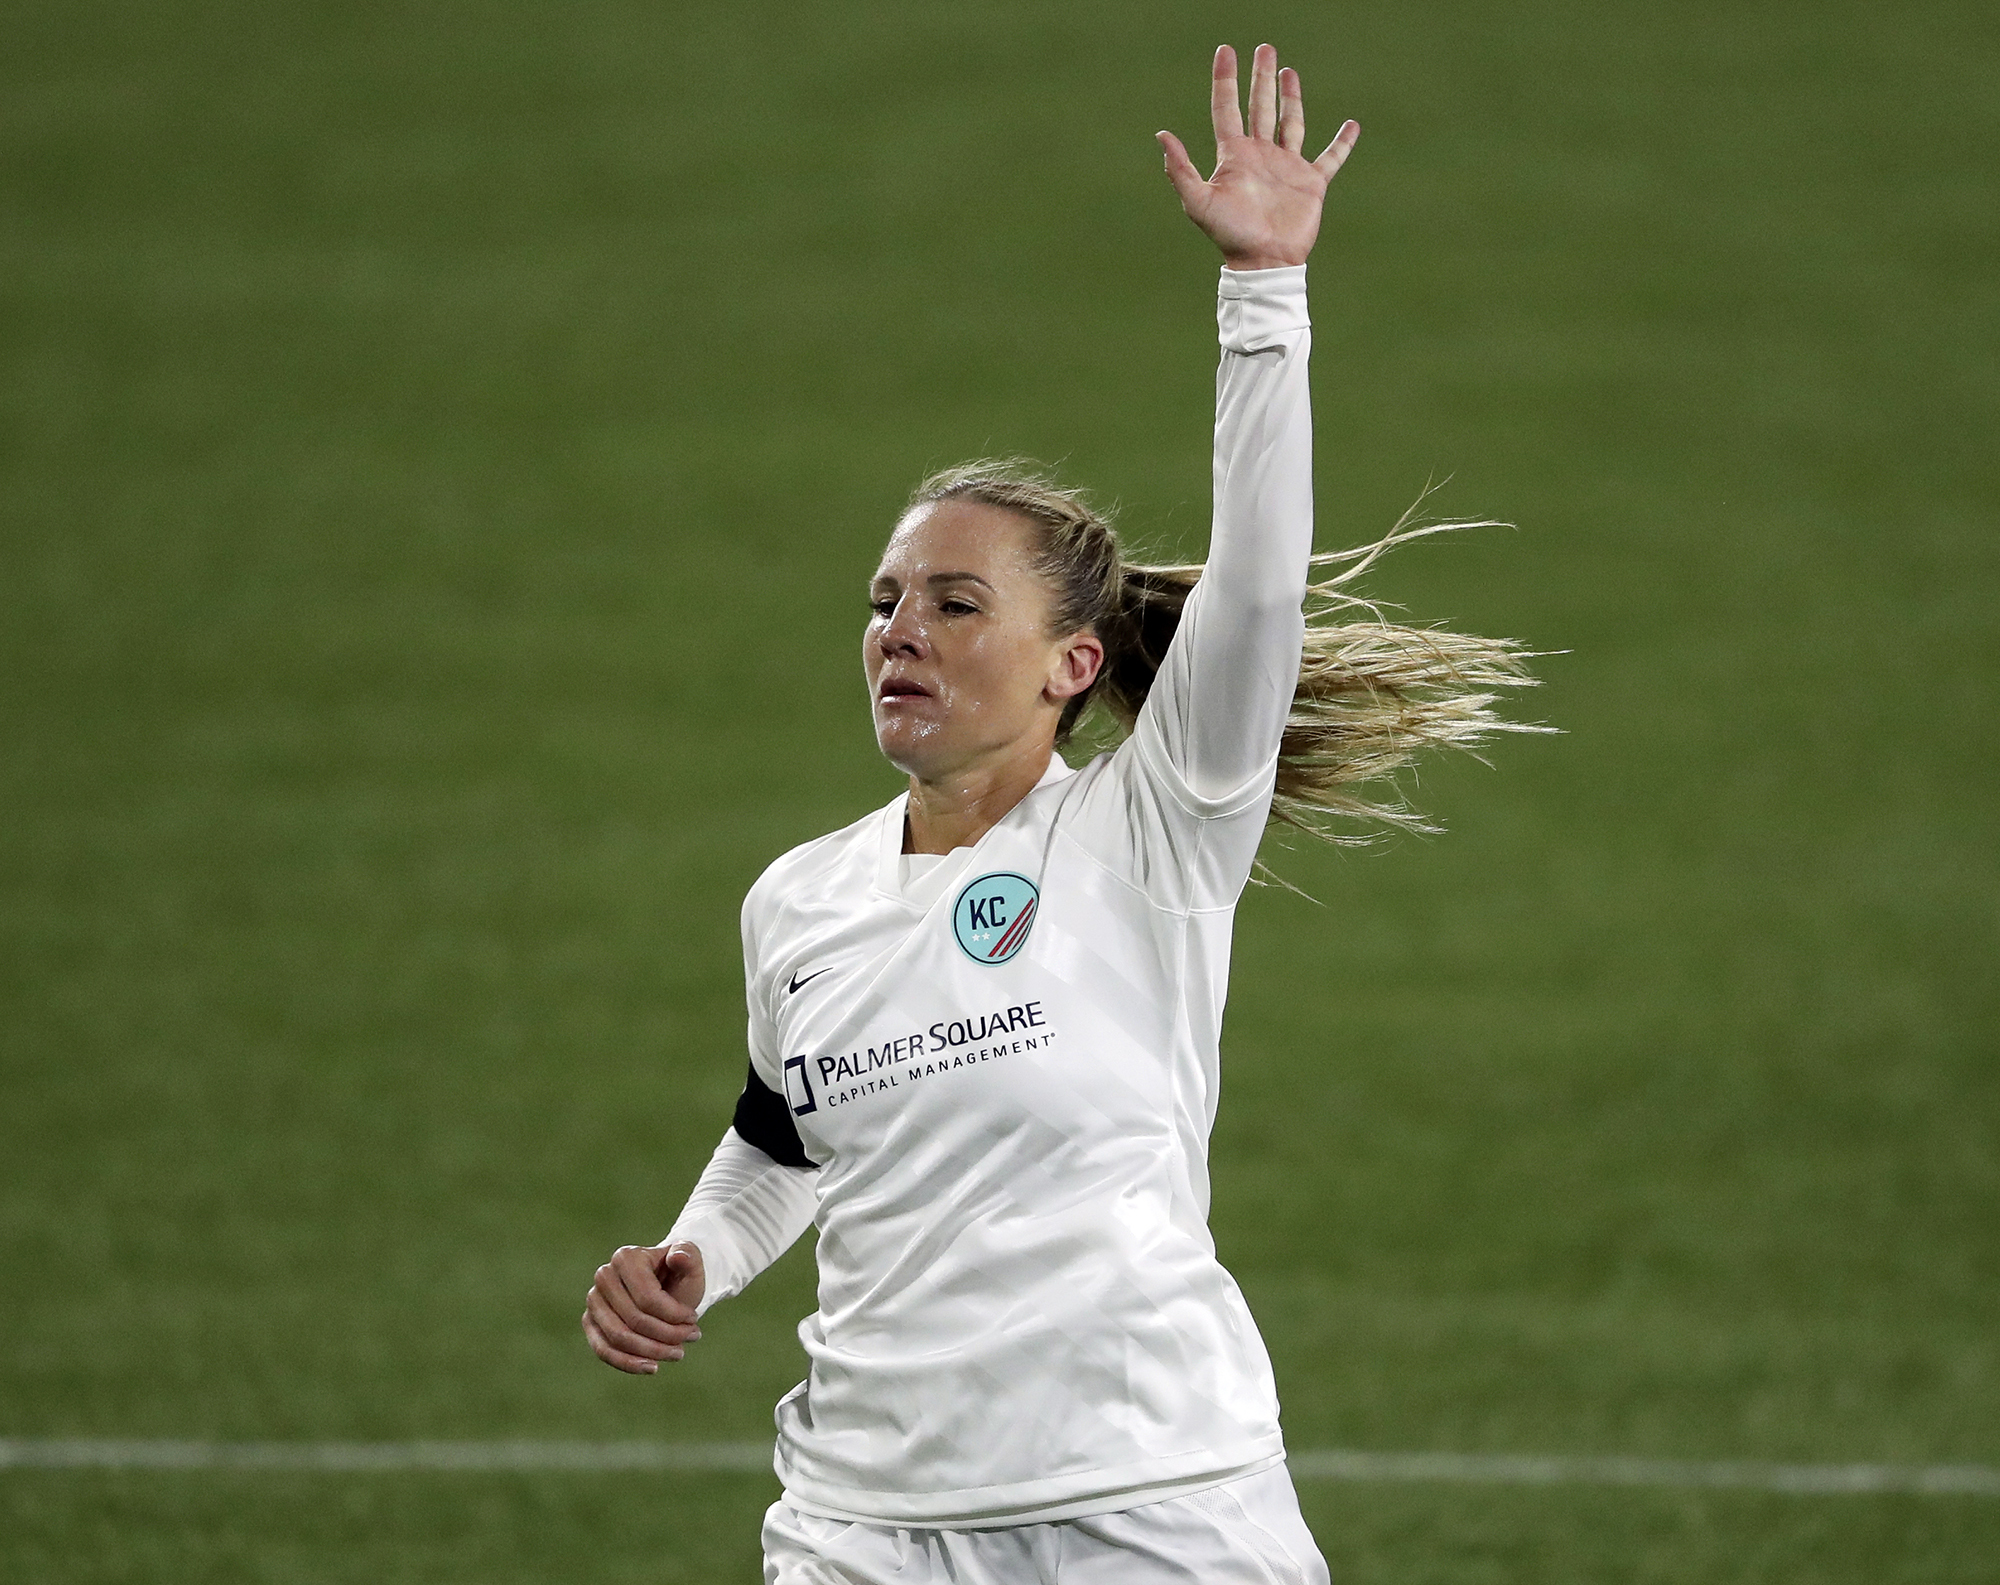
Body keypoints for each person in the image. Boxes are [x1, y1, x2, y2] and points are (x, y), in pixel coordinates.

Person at [584, 42, 1539, 1583]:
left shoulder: (1158, 828)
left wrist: (1265, 294)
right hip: (863, 1524)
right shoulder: (799, 899)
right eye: (885, 601)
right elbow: (781, 1134)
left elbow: (1261, 588)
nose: (900, 633)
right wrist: (699, 1250)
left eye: (956, 604)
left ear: (1071, 664)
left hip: (1148, 1500)